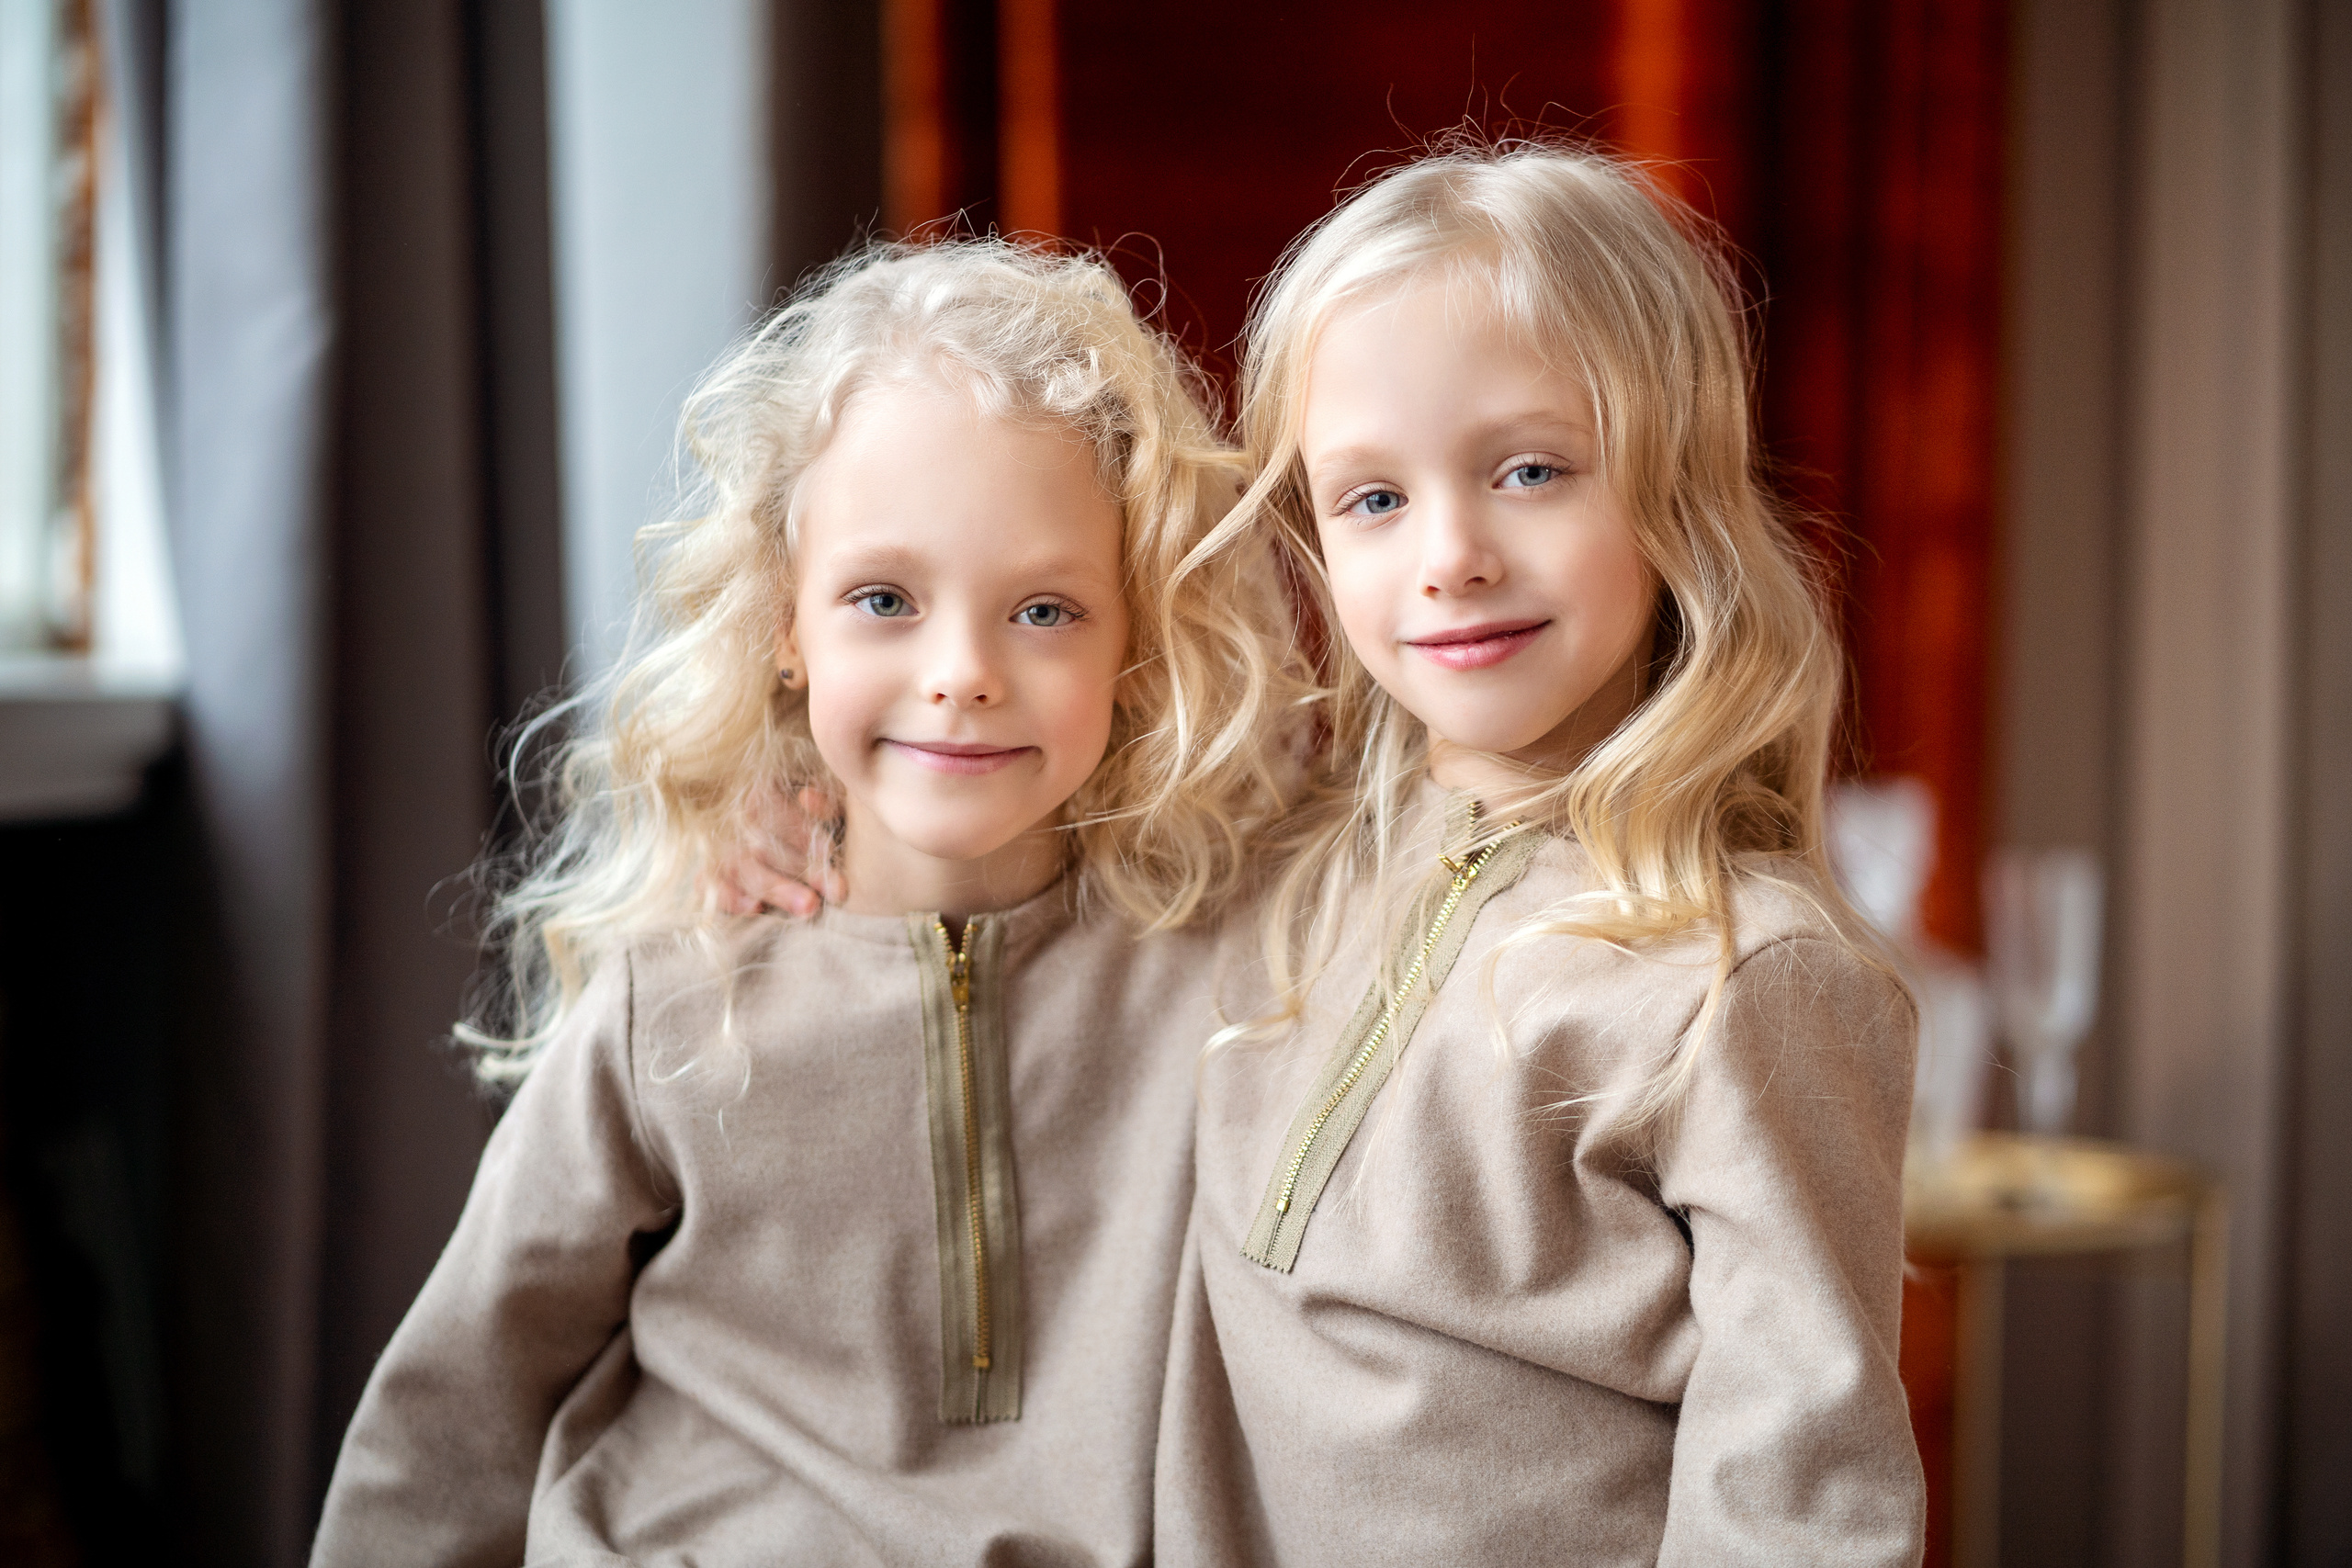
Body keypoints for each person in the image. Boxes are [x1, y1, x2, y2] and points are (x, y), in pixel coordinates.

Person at [310, 240, 1302, 1567]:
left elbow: (1414, 783)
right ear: (788, 623)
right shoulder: (677, 995)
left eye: (1046, 610)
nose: (961, 672)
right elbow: (456, 1405)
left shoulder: (1237, 961)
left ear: (1138, 635)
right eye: (883, 599)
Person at [1149, 143, 1925, 1565]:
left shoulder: (1745, 974)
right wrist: (780, 818)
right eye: (1372, 499)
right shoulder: (1285, 862)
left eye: (1529, 471)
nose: (1450, 553)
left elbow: (1802, 1507)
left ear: (1674, 486)